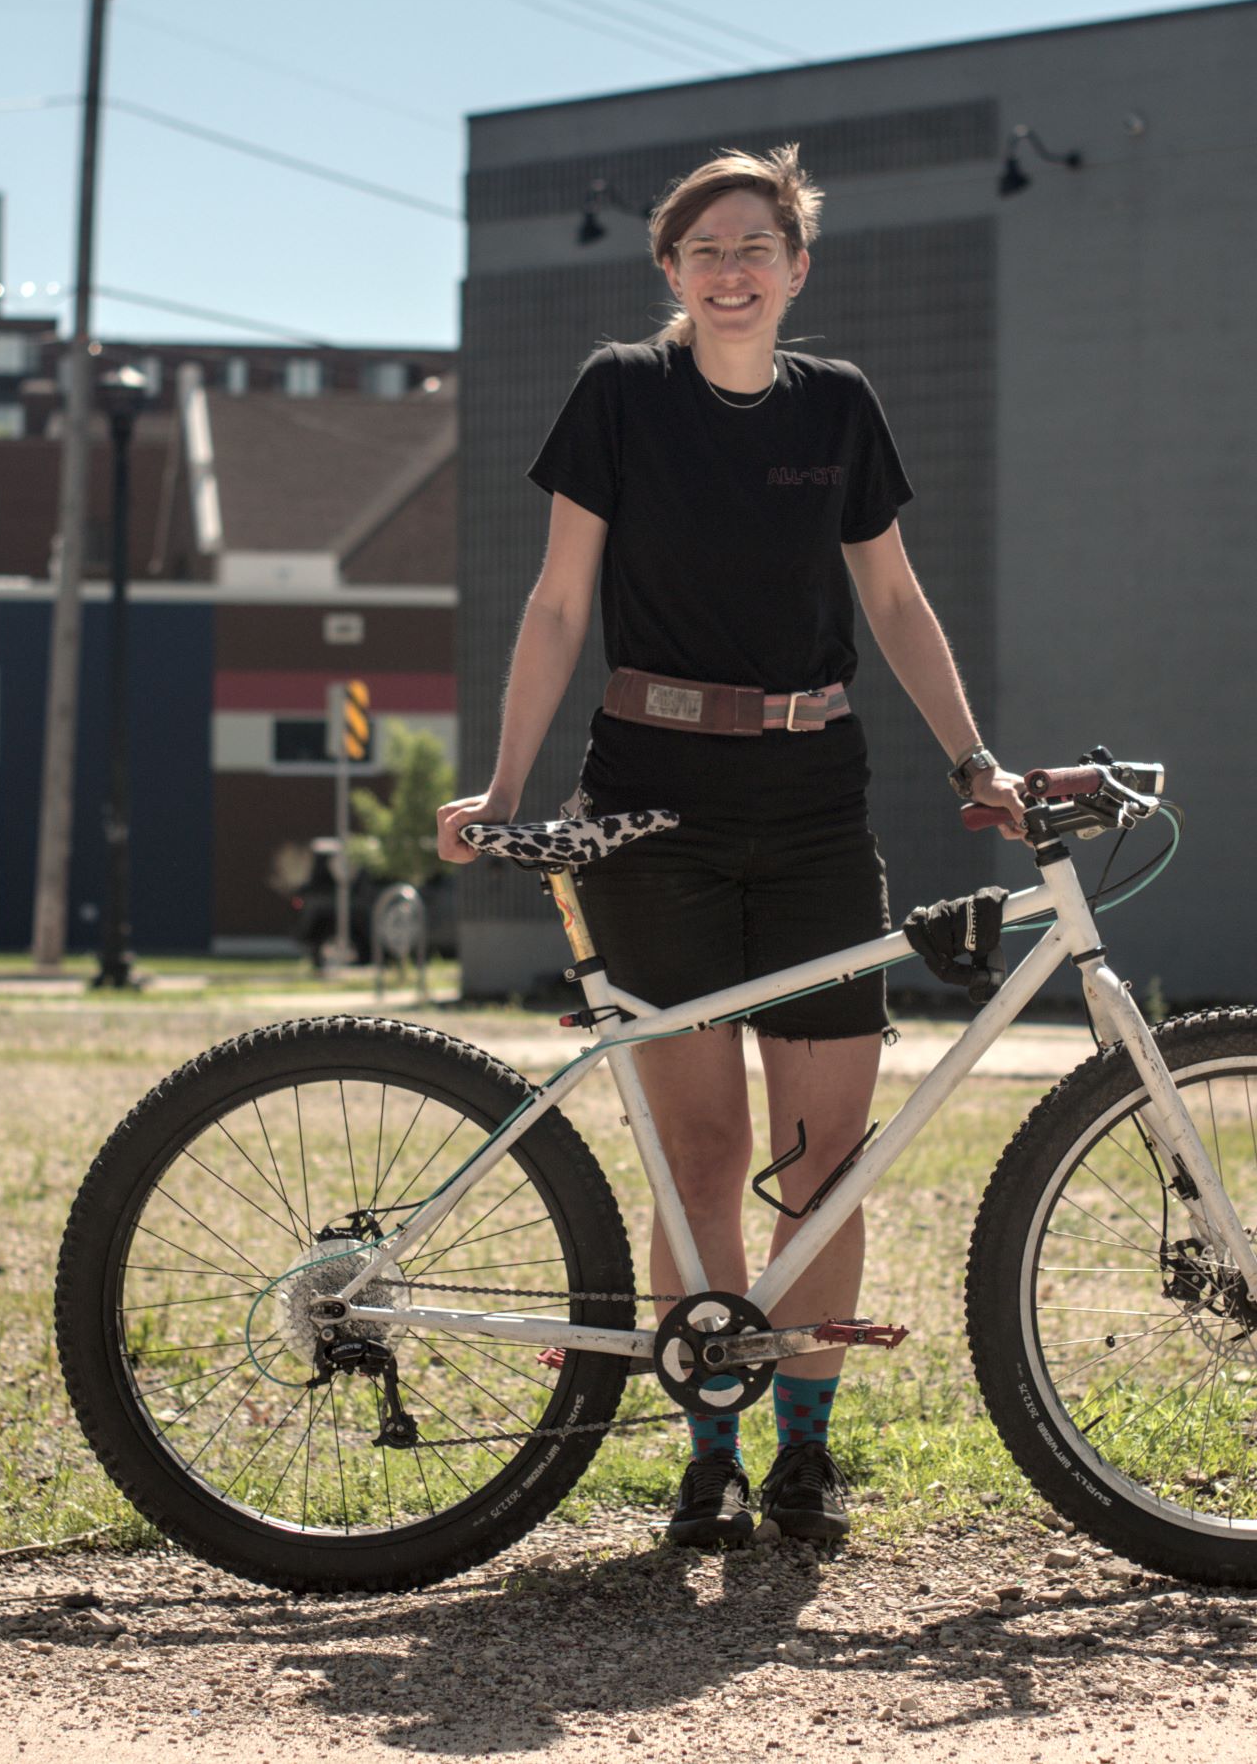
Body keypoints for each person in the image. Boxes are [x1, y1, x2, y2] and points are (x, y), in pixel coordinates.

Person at [437, 143, 1024, 1549]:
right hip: (651, 806)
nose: (735, 270)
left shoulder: (841, 407)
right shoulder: (620, 395)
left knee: (825, 1162)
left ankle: (807, 1456)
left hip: (817, 806)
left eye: (759, 245)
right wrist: (505, 783)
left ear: (798, 267)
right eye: (706, 251)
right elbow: (560, 606)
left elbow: (893, 597)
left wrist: (975, 760)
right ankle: (707, 1448)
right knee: (698, 1160)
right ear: (672, 275)